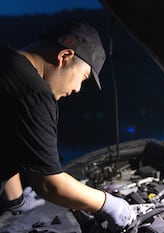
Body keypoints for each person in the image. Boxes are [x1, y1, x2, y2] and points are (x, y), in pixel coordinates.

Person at [0, 19, 135, 231]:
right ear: (64, 57)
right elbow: (49, 185)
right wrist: (109, 204)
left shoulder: (7, 64)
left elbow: (7, 146)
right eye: (83, 77)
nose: (78, 89)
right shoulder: (34, 93)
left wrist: (17, 204)